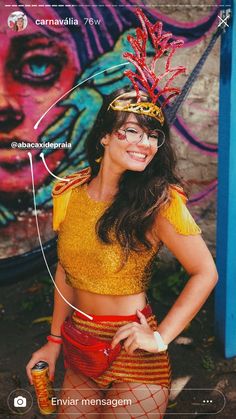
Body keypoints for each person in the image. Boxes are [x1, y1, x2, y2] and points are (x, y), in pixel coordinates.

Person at [26, 85, 218, 418]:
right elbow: (65, 271)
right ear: (105, 136)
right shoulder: (69, 193)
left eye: (153, 136)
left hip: (134, 352)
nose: (145, 144)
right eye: (132, 131)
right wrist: (54, 342)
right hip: (81, 346)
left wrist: (160, 338)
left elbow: (206, 272)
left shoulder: (159, 202)